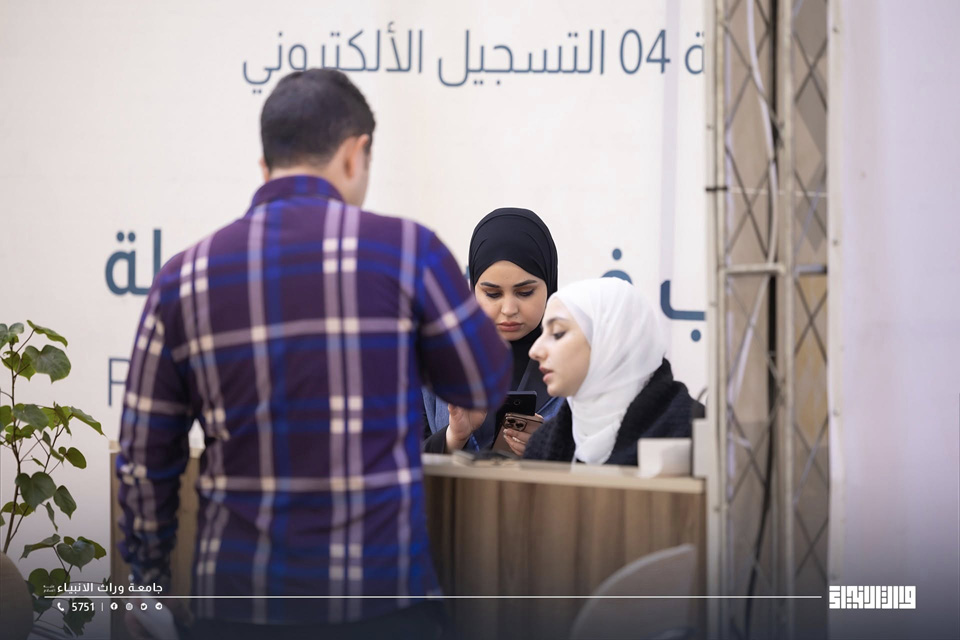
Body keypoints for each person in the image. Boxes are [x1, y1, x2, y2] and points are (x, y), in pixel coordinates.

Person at [115, 69, 511, 640]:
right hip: (381, 602)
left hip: (237, 604)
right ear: (355, 154)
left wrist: (148, 581)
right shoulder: (408, 252)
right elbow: (485, 381)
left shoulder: (183, 278)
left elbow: (144, 457)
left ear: (265, 166)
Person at [422, 208, 564, 456]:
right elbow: (401, 460)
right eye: (493, 294)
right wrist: (453, 437)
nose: (508, 309)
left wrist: (550, 447)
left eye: (525, 292)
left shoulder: (576, 364)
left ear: (550, 285)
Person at [524, 278, 702, 465]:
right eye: (543, 333)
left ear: (612, 341)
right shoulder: (543, 444)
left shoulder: (697, 431)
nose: (535, 351)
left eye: (557, 333)